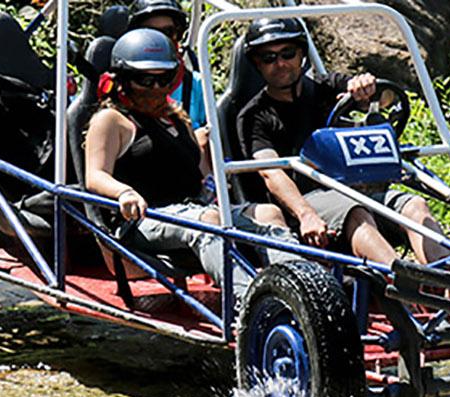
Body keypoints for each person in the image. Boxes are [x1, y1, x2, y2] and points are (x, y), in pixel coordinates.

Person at [236, 18, 450, 273]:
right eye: (269, 58)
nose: (280, 63)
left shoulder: (327, 86)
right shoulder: (254, 116)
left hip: (358, 191)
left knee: (414, 205)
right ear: (257, 64)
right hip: (309, 203)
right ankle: (402, 282)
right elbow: (271, 172)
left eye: (287, 53)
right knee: (357, 214)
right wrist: (305, 214)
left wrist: (369, 89)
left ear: (301, 54)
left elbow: (388, 97)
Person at [84, 29, 298, 296]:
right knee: (207, 221)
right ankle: (250, 302)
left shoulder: (176, 117)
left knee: (269, 213)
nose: (156, 89)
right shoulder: (111, 120)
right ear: (122, 81)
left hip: (192, 208)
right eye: (145, 80)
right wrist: (124, 192)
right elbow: (94, 176)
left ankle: (302, 291)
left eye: (164, 80)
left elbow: (201, 174)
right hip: (142, 218)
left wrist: (217, 188)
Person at [125, 0, 208, 130]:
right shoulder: (120, 85)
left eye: (168, 32)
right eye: (151, 33)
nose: (161, 40)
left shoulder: (196, 84)